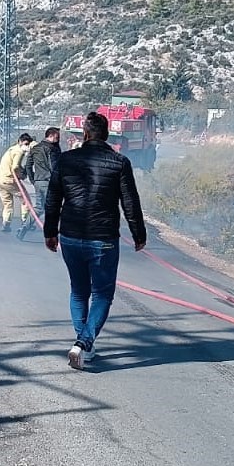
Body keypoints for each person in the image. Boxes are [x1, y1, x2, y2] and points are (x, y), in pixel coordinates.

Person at [43, 111, 147, 370]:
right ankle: (84, 343)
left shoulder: (66, 160)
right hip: (103, 239)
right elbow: (130, 202)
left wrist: (50, 232)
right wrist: (139, 235)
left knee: (79, 291)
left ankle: (83, 343)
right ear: (107, 134)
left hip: (70, 237)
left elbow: (53, 199)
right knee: (101, 295)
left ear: (85, 134)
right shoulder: (119, 162)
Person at [17, 126, 61, 240]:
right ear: (50, 136)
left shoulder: (35, 148)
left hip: (39, 182)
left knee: (39, 208)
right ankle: (55, 236)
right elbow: (54, 167)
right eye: (57, 137)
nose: (59, 139)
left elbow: (27, 166)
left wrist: (33, 180)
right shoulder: (53, 149)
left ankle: (24, 228)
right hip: (49, 183)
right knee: (55, 209)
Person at [0, 133, 33, 233]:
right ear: (19, 142)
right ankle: (26, 222)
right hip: (9, 180)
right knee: (26, 200)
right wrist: (22, 174)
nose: (27, 146)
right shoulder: (19, 151)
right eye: (25, 143)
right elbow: (15, 167)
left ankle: (6, 224)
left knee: (7, 203)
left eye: (28, 144)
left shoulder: (11, 149)